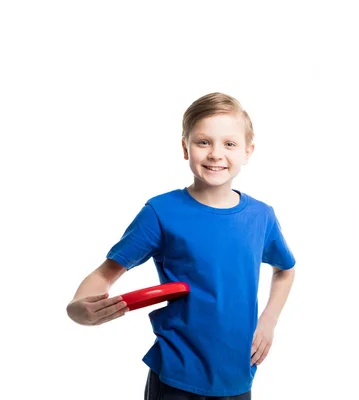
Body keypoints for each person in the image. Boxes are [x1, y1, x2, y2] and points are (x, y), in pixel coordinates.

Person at [66, 92, 296, 400]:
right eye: (203, 142)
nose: (216, 154)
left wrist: (268, 321)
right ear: (185, 148)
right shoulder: (160, 213)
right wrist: (78, 306)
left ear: (248, 151)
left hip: (238, 372)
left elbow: (286, 269)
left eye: (229, 144)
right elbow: (106, 273)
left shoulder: (261, 216)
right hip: (176, 374)